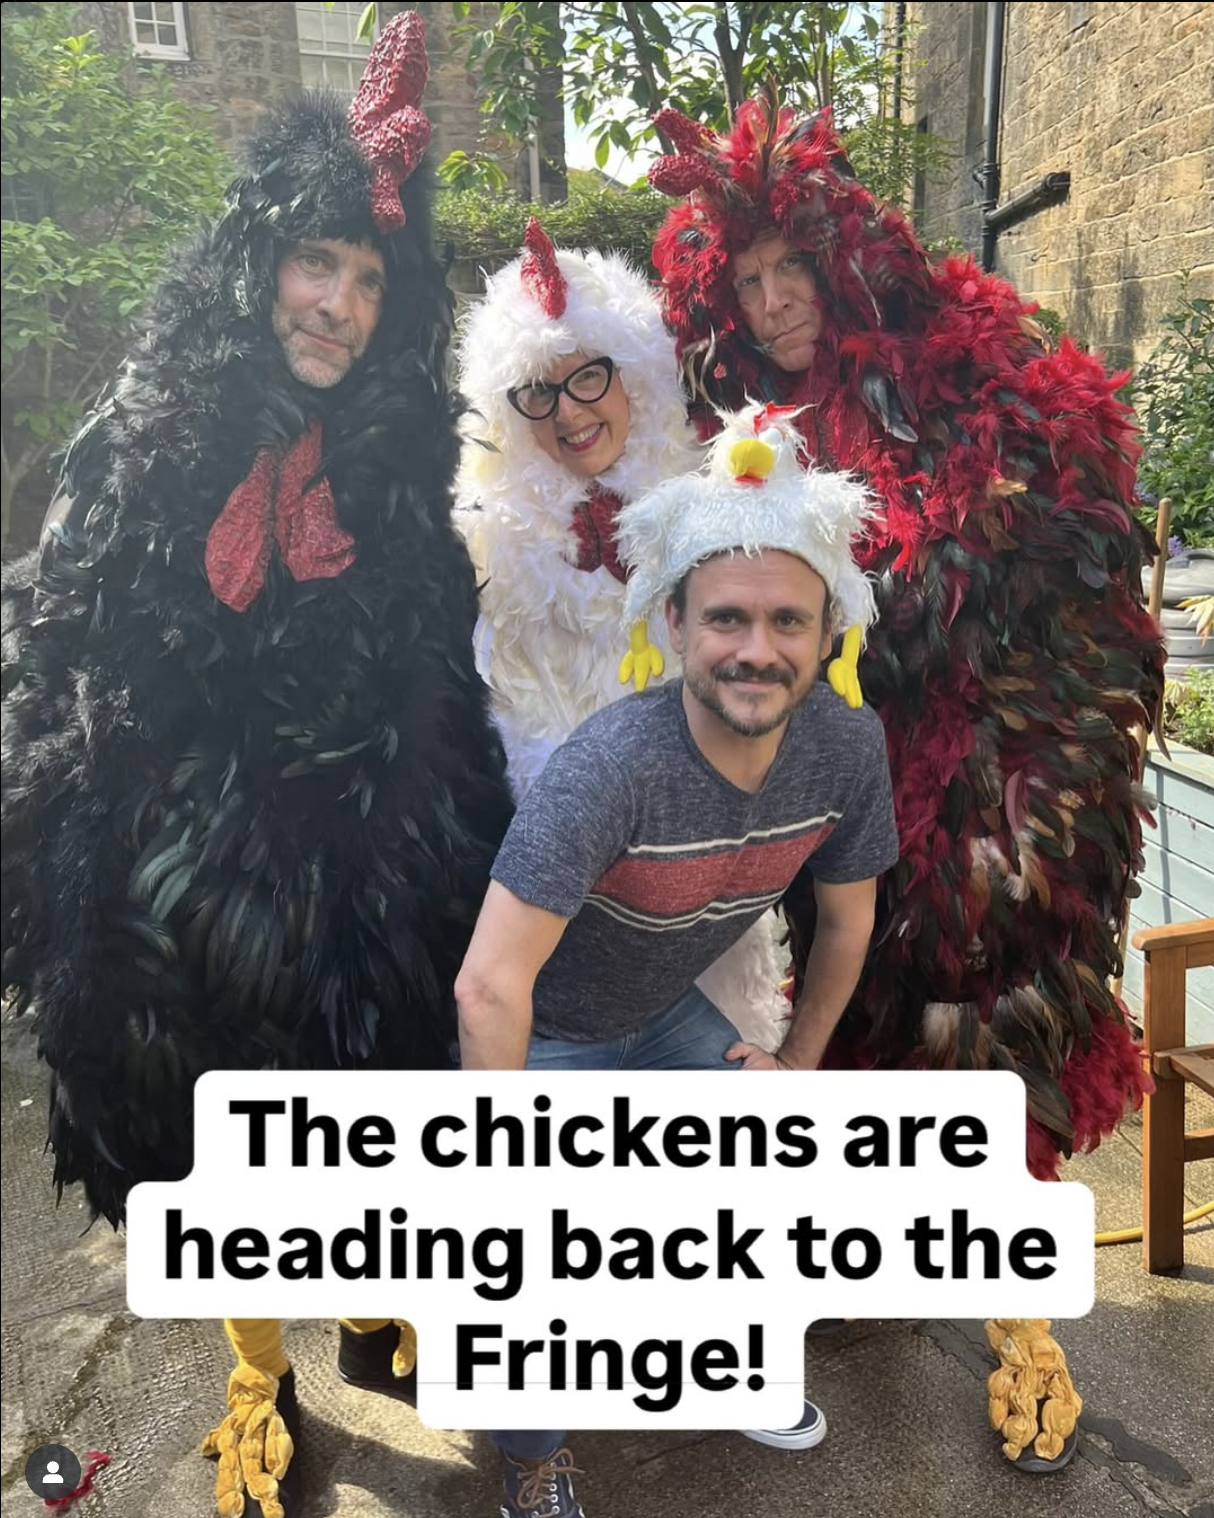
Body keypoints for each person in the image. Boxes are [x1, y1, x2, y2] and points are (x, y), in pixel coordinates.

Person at [0, 15, 512, 1518]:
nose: (338, 305)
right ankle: (254, 1362)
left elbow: (446, 658)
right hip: (195, 871)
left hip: (369, 860)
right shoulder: (137, 432)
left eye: (366, 281)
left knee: (385, 1097)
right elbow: (64, 665)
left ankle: (380, 1286)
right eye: (316, 264)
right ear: (257, 260)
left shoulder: (415, 449)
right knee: (213, 1121)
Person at [648, 85, 1165, 1470]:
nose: (771, 303)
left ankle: (1015, 1321)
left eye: (787, 271)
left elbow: (1054, 508)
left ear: (837, 258)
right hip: (809, 757)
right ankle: (843, 1241)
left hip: (969, 756)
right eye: (745, 281)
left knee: (969, 1021)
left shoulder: (951, 358)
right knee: (823, 1004)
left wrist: (894, 593)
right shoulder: (738, 407)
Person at [456, 403, 899, 1517]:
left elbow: (845, 923)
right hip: (548, 1030)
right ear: (674, 620)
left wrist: (793, 1069)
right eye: (727, 619)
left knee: (782, 1151)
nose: (757, 649)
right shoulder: (612, 765)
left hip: (662, 1017)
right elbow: (489, 983)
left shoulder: (847, 748)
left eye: (787, 621)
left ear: (826, 630)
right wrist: (495, 1157)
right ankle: (530, 1445)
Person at [455, 217, 789, 1045]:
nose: (568, 413)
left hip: (698, 873)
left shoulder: (708, 505)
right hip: (554, 895)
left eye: (589, 377)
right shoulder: (481, 538)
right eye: (539, 390)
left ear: (632, 376)